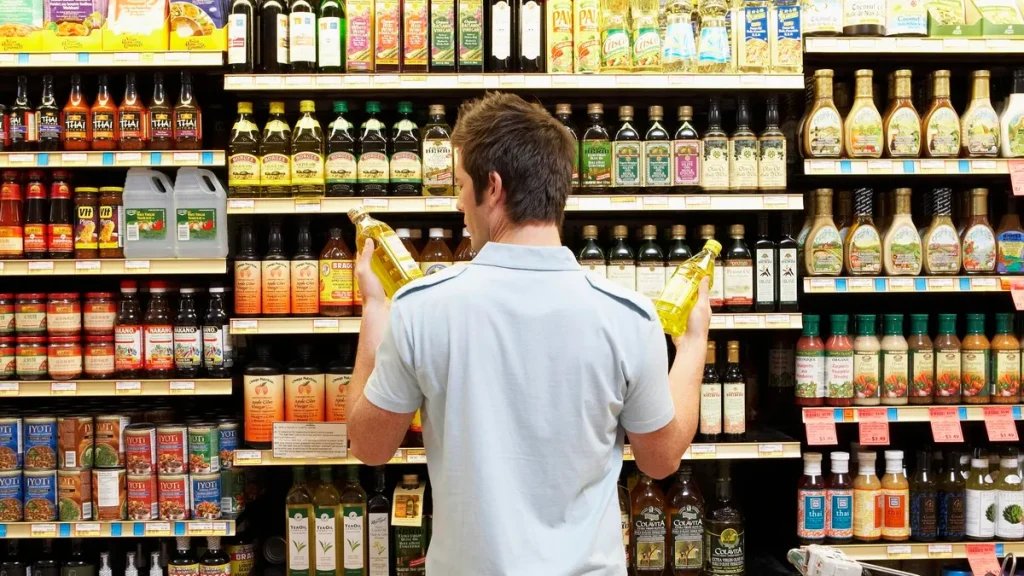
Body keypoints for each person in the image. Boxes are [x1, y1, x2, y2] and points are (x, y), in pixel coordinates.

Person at [346, 92, 711, 575]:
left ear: (492, 187)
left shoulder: (423, 309)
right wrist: (692, 345)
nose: (459, 203)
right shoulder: (628, 316)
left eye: (461, 185)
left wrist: (376, 308)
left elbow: (370, 446)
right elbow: (660, 459)